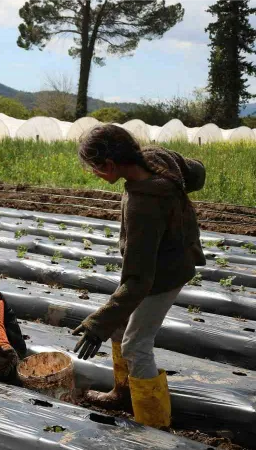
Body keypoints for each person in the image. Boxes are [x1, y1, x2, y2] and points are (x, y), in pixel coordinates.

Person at [72, 124, 206, 429]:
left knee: (136, 345)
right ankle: (123, 394)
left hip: (164, 276)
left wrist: (97, 326)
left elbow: (139, 281)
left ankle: (155, 424)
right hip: (167, 260)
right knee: (121, 323)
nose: (94, 174)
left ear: (109, 165)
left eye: (94, 168)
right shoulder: (155, 157)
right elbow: (196, 171)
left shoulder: (143, 205)